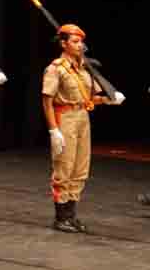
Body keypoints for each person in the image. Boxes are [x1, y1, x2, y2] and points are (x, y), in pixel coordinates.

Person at [41, 24, 123, 233]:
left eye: (81, 42)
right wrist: (53, 130)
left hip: (82, 117)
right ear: (63, 43)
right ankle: (61, 217)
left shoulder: (85, 69)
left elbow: (90, 98)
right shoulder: (55, 68)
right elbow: (47, 101)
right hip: (65, 117)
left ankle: (71, 214)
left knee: (80, 167)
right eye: (75, 42)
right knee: (64, 166)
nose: (80, 46)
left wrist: (108, 100)